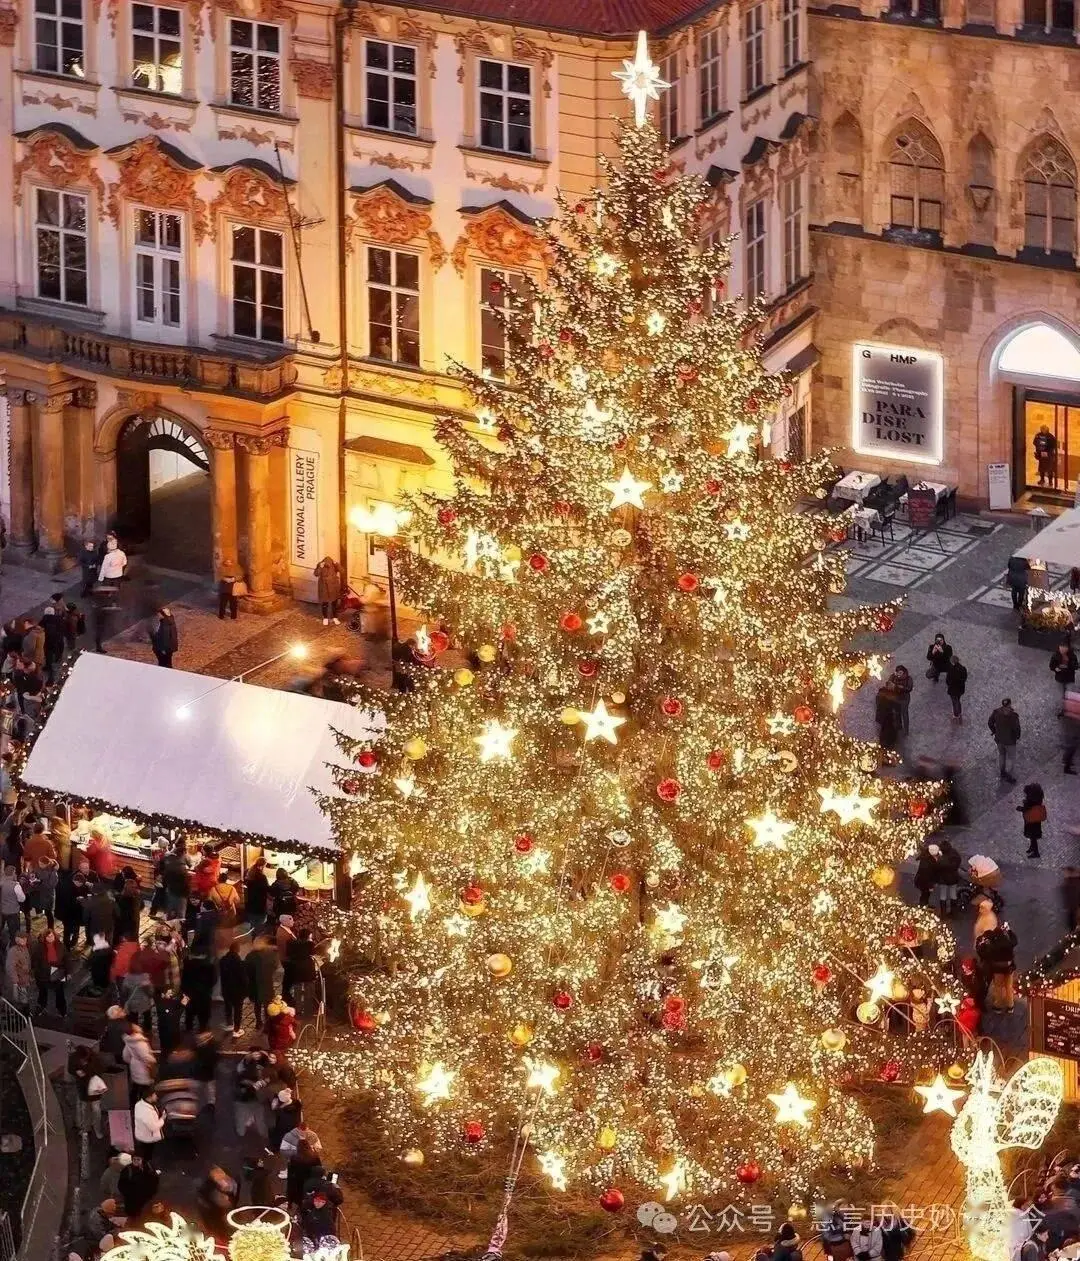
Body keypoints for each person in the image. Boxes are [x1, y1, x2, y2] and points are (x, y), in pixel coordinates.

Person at [977, 919, 1019, 1012]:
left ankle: (998, 1006)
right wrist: (1009, 931)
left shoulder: (993, 942)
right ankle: (1010, 1005)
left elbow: (986, 951)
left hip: (998, 968)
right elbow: (1015, 940)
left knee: (998, 987)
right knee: (1009, 986)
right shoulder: (1008, 941)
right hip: (1009, 967)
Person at [32, 926, 68, 1017]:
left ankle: (62, 1010)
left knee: (60, 992)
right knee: (42, 992)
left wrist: (68, 972)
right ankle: (41, 1007)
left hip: (58, 971)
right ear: (44, 937)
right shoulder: (39, 947)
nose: (50, 938)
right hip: (43, 973)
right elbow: (35, 961)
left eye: (52, 936)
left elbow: (66, 959)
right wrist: (37, 972)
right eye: (48, 936)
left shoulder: (60, 946)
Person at [246, 932, 278, 1029]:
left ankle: (258, 1022)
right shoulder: (270, 954)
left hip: (255, 984)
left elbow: (247, 970)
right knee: (268, 1004)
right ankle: (268, 1024)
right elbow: (274, 966)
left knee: (257, 1004)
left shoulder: (250, 955)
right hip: (266, 983)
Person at [181, 946, 216, 1032]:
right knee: (203, 1013)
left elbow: (184, 979)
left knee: (189, 1012)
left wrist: (184, 991)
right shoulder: (209, 965)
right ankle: (202, 1028)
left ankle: (189, 1028)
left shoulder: (188, 963)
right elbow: (213, 980)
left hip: (190, 992)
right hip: (204, 993)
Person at [122, 1019, 157, 1100]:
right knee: (145, 1090)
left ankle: (132, 1103)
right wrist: (154, 1060)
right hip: (143, 1068)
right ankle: (143, 1103)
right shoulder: (140, 1042)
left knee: (136, 1087)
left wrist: (133, 1061)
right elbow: (146, 1057)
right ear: (135, 1030)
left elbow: (125, 1056)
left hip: (134, 1066)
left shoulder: (129, 1041)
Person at [117, 1154, 159, 1219]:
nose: (136, 1161)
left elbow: (154, 1180)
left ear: (142, 1160)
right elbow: (121, 1185)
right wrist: (130, 1194)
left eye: (138, 1159)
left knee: (146, 1216)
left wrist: (152, 1193)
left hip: (146, 1200)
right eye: (134, 1159)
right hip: (132, 1202)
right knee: (133, 1218)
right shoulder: (127, 1170)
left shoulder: (148, 1167)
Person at [219, 940, 248, 1037]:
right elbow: (243, 978)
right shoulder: (239, 961)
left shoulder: (223, 960)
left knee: (228, 1007)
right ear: (237, 949)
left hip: (226, 989)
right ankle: (236, 1030)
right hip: (237, 990)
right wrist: (246, 989)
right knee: (238, 1010)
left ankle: (229, 1024)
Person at [989, 698, 1021, 782]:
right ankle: (1010, 775)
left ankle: (1002, 772)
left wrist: (994, 731)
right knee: (1011, 757)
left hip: (999, 740)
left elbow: (990, 723)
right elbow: (1017, 729)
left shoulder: (996, 713)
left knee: (1002, 755)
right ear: (1009, 704)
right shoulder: (1013, 716)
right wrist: (1017, 736)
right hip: (1010, 741)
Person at [133, 1090, 165, 1160]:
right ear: (149, 1096)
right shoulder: (146, 1112)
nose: (156, 1096)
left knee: (143, 1153)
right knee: (148, 1155)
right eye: (155, 1094)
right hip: (148, 1139)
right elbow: (153, 1127)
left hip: (142, 1135)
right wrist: (162, 1119)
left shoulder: (139, 1104)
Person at [1051, 639, 1079, 716]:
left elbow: (1076, 666)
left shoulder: (1072, 656)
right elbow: (1051, 665)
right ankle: (1061, 710)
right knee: (1060, 696)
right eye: (1061, 647)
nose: (1062, 649)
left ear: (1068, 648)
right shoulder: (1055, 655)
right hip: (1059, 679)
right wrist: (1055, 668)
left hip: (1069, 679)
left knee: (1069, 695)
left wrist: (1070, 664)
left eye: (1064, 647)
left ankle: (1069, 709)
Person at [1019, 781, 1047, 859]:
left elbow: (1026, 809)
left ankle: (1036, 852)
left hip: (1031, 822)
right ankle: (1032, 848)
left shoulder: (1030, 803)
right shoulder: (1037, 801)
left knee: (1033, 837)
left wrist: (1020, 808)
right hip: (1035, 821)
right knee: (1032, 837)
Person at [935, 837, 961, 916]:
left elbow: (937, 867)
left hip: (943, 879)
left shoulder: (941, 859)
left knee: (943, 895)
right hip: (953, 878)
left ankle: (943, 914)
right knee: (953, 894)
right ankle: (954, 913)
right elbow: (959, 860)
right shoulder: (954, 853)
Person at [5, 931, 31, 1009]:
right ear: (17, 939)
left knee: (24, 998)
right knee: (21, 1000)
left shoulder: (25, 949)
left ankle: (24, 1012)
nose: (24, 940)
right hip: (18, 981)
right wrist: (15, 981)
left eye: (25, 938)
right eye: (22, 938)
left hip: (25, 979)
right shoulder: (13, 951)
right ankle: (22, 1013)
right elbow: (10, 967)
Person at [244, 858, 270, 934]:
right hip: (260, 906)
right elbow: (267, 889)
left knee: (253, 925)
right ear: (263, 866)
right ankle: (256, 938)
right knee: (260, 926)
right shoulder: (262, 877)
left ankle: (253, 935)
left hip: (250, 904)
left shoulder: (249, 874)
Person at [315, 556, 343, 625]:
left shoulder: (334, 565)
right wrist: (320, 567)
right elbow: (316, 574)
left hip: (333, 587)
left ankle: (335, 617)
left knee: (334, 603)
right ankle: (325, 618)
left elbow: (342, 571)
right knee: (325, 603)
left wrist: (337, 564)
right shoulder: (320, 564)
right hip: (324, 587)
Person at [0, 864, 25, 941]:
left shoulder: (1, 882)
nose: (16, 874)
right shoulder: (16, 885)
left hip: (2, 910)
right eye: (15, 873)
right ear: (13, 873)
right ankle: (13, 945)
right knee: (14, 933)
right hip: (13, 912)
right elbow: (22, 899)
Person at [41, 606, 65, 682]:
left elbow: (40, 628)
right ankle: (52, 673)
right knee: (55, 658)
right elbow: (62, 629)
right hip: (57, 642)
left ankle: (49, 671)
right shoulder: (59, 619)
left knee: (48, 657)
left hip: (48, 642)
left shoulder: (44, 620)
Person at [875, 682, 901, 750]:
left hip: (889, 717)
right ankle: (886, 744)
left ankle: (888, 743)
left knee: (889, 729)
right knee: (886, 729)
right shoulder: (883, 693)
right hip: (886, 716)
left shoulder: (894, 694)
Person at [913, 842, 939, 908]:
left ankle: (924, 905)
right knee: (925, 894)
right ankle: (922, 906)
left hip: (922, 880)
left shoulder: (927, 858)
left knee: (925, 894)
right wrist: (930, 885)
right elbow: (926, 875)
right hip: (924, 882)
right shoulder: (928, 862)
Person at [890, 666, 913, 734]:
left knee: (904, 713)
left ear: (904, 672)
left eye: (900, 672)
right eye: (898, 672)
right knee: (897, 713)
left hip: (904, 699)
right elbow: (889, 683)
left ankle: (906, 730)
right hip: (896, 698)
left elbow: (909, 688)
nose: (899, 674)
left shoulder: (909, 678)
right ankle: (898, 727)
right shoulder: (894, 676)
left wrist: (899, 687)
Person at [945, 654, 968, 722]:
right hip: (960, 689)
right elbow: (965, 678)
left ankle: (956, 714)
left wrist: (949, 685)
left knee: (955, 702)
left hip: (953, 689)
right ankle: (959, 712)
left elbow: (948, 680)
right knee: (958, 700)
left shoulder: (951, 670)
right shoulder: (963, 668)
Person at [1035, 423, 1058, 487]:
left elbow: (1054, 445)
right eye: (1042, 429)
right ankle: (1042, 480)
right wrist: (1039, 448)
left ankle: (1050, 481)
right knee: (1041, 468)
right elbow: (1035, 442)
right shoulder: (1038, 435)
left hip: (1049, 455)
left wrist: (1045, 446)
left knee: (1050, 468)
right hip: (1041, 454)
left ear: (1047, 429)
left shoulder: (1050, 436)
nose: (1043, 430)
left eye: (1044, 429)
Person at [1062, 867, 1080, 932]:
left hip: (1074, 908)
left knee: (1073, 924)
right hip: (1073, 908)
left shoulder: (1073, 882)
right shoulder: (1070, 882)